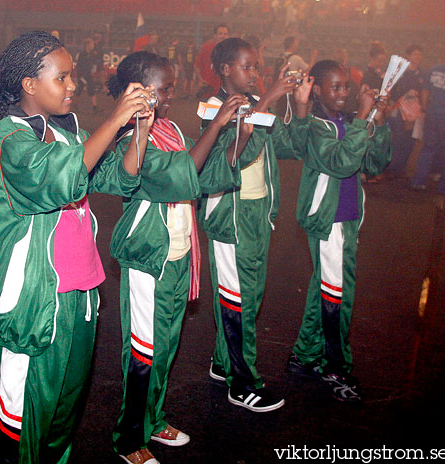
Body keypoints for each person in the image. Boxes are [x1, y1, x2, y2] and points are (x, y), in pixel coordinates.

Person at [0, 30, 155, 464]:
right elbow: (58, 179)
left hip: (81, 291)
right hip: (37, 300)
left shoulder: (69, 131)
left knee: (64, 411)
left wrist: (139, 129)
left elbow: (119, 176)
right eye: (63, 77)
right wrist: (114, 120)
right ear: (29, 85)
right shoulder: (11, 136)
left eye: (73, 76)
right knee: (26, 415)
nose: (74, 85)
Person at [107, 51, 248, 464]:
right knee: (143, 351)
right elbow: (177, 175)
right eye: (164, 87)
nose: (171, 94)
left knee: (166, 346)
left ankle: (153, 420)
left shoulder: (169, 128)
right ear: (139, 90)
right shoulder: (131, 136)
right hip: (149, 258)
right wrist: (218, 122)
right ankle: (128, 438)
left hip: (178, 254)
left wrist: (239, 133)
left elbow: (202, 176)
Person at [200, 37, 299, 412]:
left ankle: (224, 362)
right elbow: (239, 155)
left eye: (257, 66)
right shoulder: (213, 109)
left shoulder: (254, 105)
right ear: (225, 70)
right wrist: (269, 98)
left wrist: (298, 103)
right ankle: (242, 384)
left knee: (249, 296)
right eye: (248, 66)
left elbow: (285, 144)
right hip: (230, 216)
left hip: (257, 212)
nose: (256, 73)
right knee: (236, 298)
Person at [286, 60, 391, 402]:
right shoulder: (318, 127)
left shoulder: (347, 123)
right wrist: (363, 118)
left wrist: (380, 120)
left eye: (346, 86)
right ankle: (336, 367)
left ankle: (304, 356)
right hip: (328, 224)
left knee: (326, 288)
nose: (343, 93)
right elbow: (341, 162)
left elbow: (375, 164)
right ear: (316, 89)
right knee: (337, 297)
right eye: (335, 87)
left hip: (345, 221)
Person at [410, 42, 445, 193]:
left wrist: (425, 108)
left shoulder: (434, 69)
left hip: (432, 114)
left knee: (428, 148)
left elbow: (425, 91)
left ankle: (419, 181)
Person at [385, 44, 423, 179]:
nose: (417, 57)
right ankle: (391, 167)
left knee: (410, 140)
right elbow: (393, 91)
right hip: (398, 111)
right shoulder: (401, 72)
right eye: (414, 54)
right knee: (398, 139)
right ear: (408, 56)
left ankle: (401, 168)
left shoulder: (421, 74)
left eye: (419, 54)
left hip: (414, 114)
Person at [194, 24, 229, 99]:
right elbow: (197, 65)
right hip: (208, 89)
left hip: (225, 90)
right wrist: (200, 79)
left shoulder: (232, 50)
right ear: (215, 35)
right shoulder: (206, 47)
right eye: (220, 34)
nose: (223, 36)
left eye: (225, 34)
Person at [75, 37, 102, 112]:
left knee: (87, 88)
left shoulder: (91, 54)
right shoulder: (82, 54)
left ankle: (94, 107)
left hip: (88, 74)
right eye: (92, 44)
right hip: (82, 75)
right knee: (83, 88)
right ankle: (93, 107)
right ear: (87, 44)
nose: (93, 45)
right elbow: (79, 65)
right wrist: (79, 76)